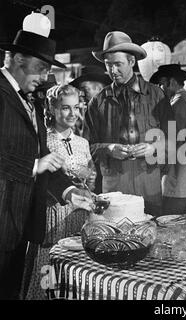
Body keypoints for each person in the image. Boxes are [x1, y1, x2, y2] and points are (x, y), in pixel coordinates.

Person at [0, 29, 92, 300]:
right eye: (40, 68)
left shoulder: (31, 101)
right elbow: (37, 162)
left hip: (19, 225)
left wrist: (70, 192)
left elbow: (45, 160)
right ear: (17, 59)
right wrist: (32, 165)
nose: (43, 77)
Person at [85, 31, 173, 216]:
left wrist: (153, 148)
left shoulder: (157, 95)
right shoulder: (98, 102)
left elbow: (174, 139)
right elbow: (88, 146)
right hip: (115, 187)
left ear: (132, 62)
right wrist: (108, 148)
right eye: (108, 65)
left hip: (149, 184)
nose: (113, 71)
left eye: (118, 64)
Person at [23, 84, 96, 300]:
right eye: (65, 108)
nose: (73, 113)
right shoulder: (42, 140)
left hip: (78, 215)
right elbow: (35, 181)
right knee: (49, 267)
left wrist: (88, 179)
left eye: (76, 107)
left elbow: (88, 177)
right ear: (52, 109)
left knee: (74, 269)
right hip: (51, 216)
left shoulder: (83, 142)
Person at [150, 64, 186, 215]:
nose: (160, 88)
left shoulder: (176, 106)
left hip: (175, 184)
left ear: (172, 82)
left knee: (169, 232)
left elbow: (168, 146)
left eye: (161, 84)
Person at [70, 65, 112, 193]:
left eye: (84, 89)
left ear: (99, 88)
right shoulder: (87, 110)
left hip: (106, 170)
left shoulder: (109, 110)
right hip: (89, 171)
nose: (81, 93)